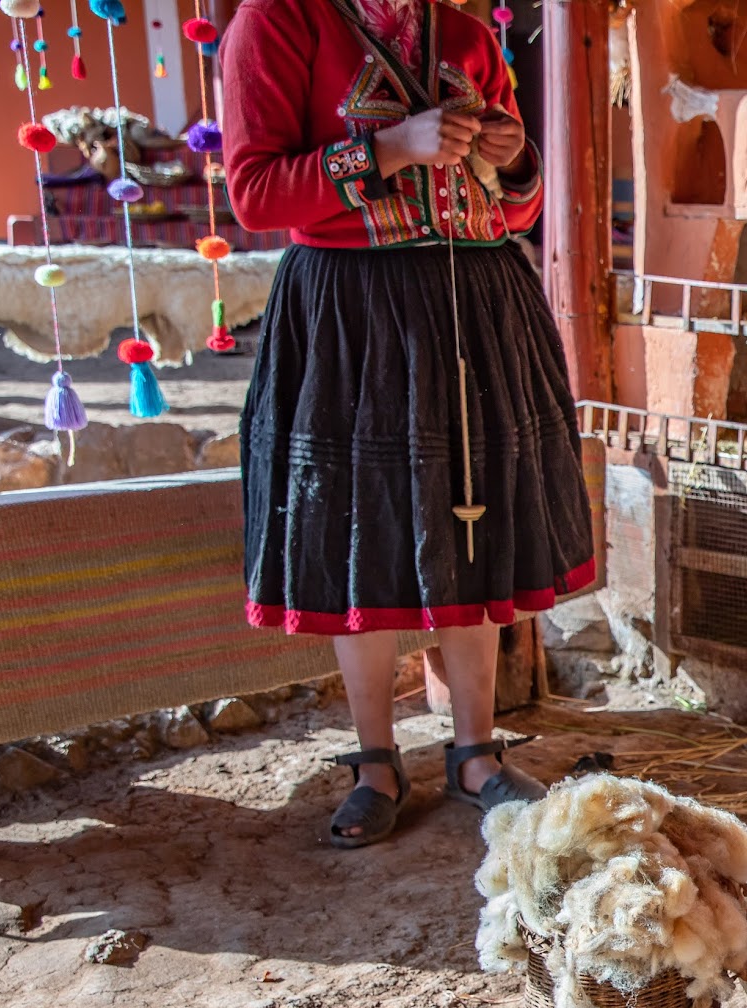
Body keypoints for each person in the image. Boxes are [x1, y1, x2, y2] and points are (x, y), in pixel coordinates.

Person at [221, 0, 594, 847]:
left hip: (476, 303)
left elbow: (516, 206)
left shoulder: (463, 33)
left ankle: (475, 751)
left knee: (476, 515)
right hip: (354, 315)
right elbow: (253, 191)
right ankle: (375, 759)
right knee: (367, 532)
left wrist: (513, 156)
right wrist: (390, 147)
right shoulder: (277, 22)